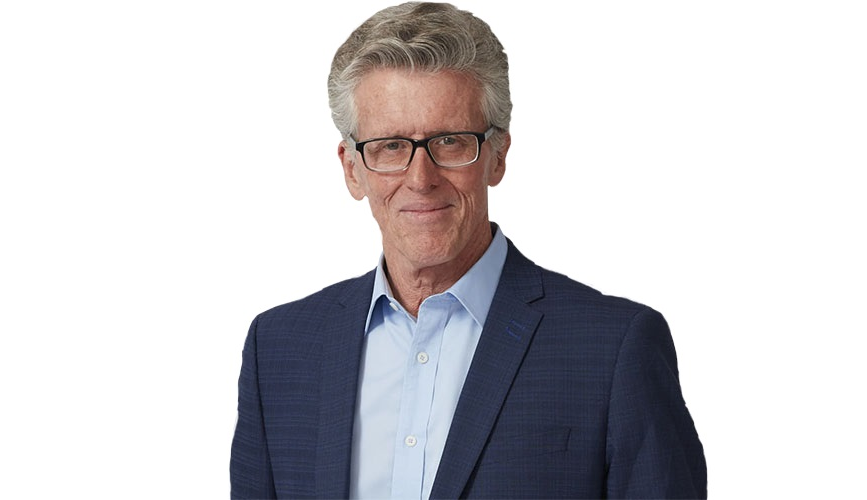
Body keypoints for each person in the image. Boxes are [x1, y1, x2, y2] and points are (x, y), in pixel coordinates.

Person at [230, 2, 706, 498]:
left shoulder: (613, 349)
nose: (421, 179)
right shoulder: (278, 349)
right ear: (352, 169)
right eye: (390, 146)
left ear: (497, 156)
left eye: (450, 142)